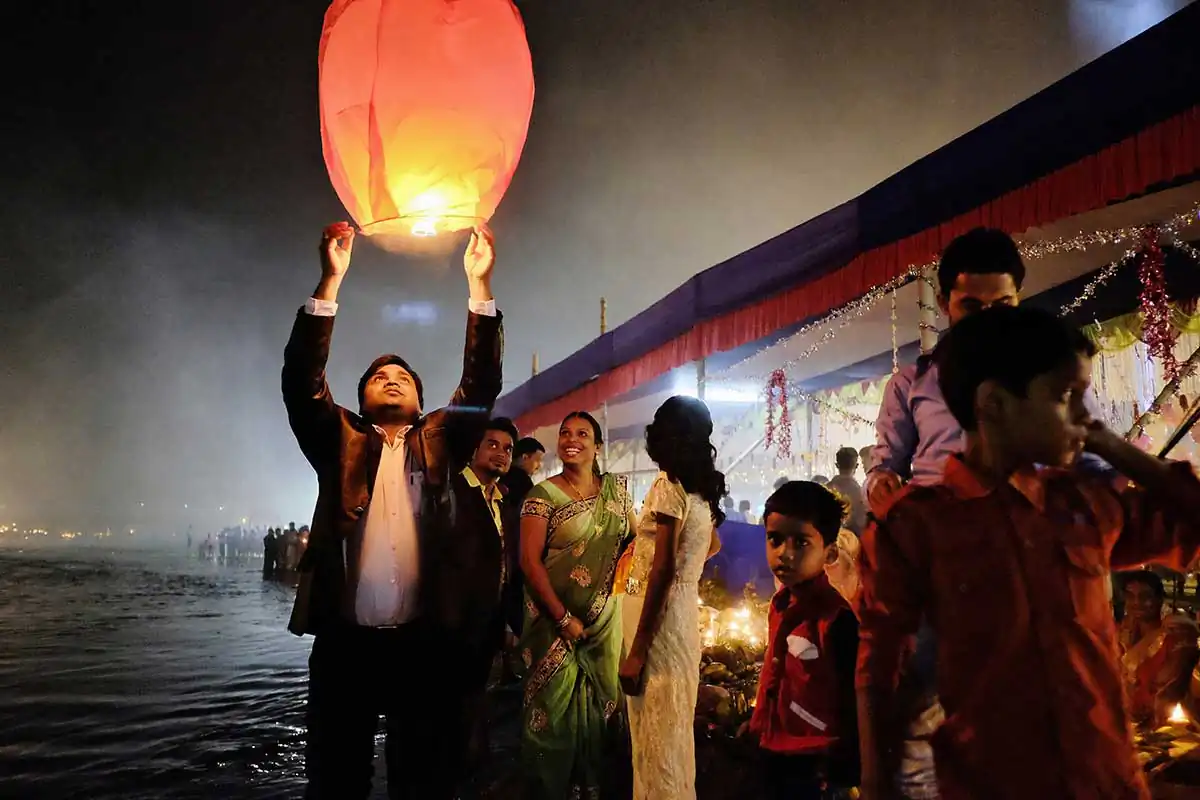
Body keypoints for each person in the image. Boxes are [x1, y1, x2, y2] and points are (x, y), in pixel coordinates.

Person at [857, 306, 1200, 799]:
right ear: (994, 404)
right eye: (1064, 396)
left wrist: (1110, 445)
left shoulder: (1081, 505)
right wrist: (874, 782)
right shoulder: (917, 527)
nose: (1083, 417)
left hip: (1107, 781)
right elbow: (880, 668)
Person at [282, 221, 503, 800]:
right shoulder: (339, 441)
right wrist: (330, 282)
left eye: (403, 377)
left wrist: (479, 286)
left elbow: (481, 382)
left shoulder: (443, 442)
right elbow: (301, 382)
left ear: (423, 403)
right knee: (335, 782)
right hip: (344, 645)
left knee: (421, 781)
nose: (392, 380)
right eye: (379, 377)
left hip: (423, 645)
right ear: (360, 401)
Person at [518, 411, 636, 799]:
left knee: (603, 712)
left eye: (582, 434)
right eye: (565, 433)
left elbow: (635, 545)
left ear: (597, 446)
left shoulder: (617, 493)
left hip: (605, 625)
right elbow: (529, 562)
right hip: (554, 626)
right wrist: (562, 617)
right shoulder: (541, 496)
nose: (572, 440)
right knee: (553, 717)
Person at [619, 395, 725, 800]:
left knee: (653, 738)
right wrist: (686, 576)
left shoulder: (668, 485)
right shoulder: (701, 490)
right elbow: (711, 545)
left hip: (655, 623)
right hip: (681, 619)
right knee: (673, 732)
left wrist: (637, 652)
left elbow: (661, 570)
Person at [746, 481, 860, 799]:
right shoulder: (780, 605)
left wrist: (845, 765)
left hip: (815, 764)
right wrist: (759, 723)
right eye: (775, 539)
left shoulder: (835, 619)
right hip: (773, 751)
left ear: (830, 552)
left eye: (801, 542)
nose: (785, 553)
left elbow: (851, 699)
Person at [449, 417, 518, 767]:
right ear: (474, 448)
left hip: (488, 620)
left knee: (476, 700)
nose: (501, 453)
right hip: (453, 623)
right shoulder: (451, 492)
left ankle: (472, 769)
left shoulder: (502, 501)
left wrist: (505, 622)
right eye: (492, 444)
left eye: (508, 448)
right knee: (452, 708)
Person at [1117, 570, 1199, 726]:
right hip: (1126, 719)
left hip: (1164, 722)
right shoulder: (1124, 631)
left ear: (1159, 599)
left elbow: (1171, 690)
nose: (1136, 602)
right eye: (1130, 596)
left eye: (1145, 596)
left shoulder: (1176, 634)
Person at [500, 436, 545, 639]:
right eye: (537, 460)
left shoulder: (502, 477)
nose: (539, 465)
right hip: (517, 552)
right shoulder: (523, 483)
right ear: (525, 457)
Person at [826, 446, 866, 535]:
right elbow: (862, 523)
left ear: (836, 465)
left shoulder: (825, 490)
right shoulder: (861, 493)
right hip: (852, 539)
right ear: (856, 466)